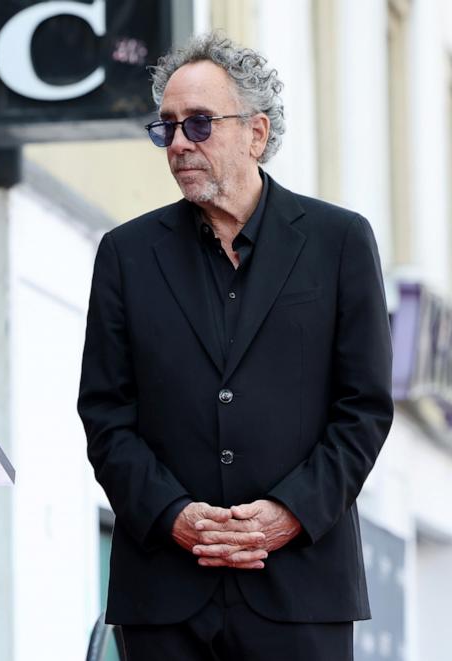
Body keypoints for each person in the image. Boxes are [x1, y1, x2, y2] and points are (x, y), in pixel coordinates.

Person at [77, 33, 393, 660]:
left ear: (256, 132)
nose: (178, 144)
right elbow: (106, 415)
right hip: (164, 592)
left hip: (301, 589)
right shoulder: (126, 254)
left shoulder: (340, 242)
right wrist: (173, 514)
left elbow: (364, 409)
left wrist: (289, 513)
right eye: (165, 127)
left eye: (198, 123)